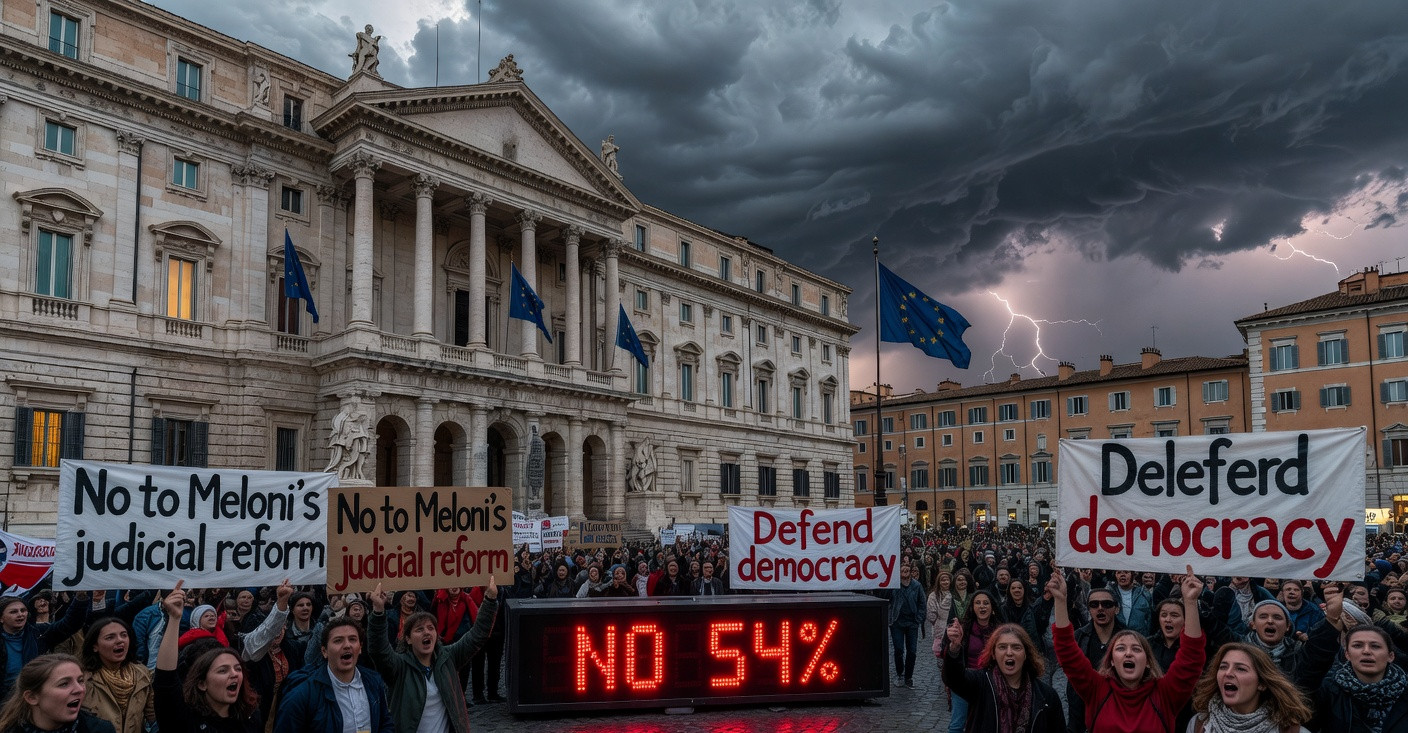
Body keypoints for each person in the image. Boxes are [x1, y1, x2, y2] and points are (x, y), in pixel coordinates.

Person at [1051, 564, 1206, 733]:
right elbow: (1067, 651)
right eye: (1120, 648)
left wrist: (1190, 602)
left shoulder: (1165, 694)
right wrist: (1060, 600)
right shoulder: (1096, 689)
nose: (1128, 653)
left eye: (1137, 649)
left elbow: (1191, 657)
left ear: (1148, 661)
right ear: (1111, 660)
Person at [366, 579, 498, 733]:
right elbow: (378, 650)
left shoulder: (448, 657)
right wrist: (378, 611)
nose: (426, 632)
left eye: (430, 628)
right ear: (407, 638)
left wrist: (489, 599)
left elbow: (477, 635)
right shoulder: (398, 666)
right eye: (419, 629)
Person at [154, 581, 262, 733]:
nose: (234, 674)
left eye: (238, 668)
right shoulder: (184, 719)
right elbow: (165, 679)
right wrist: (174, 619)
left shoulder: (251, 717)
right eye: (223, 670)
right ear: (202, 683)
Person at [1304, 584, 1408, 733]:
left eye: (1375, 646)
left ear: (1391, 655)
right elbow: (1307, 679)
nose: (1366, 651)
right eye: (1358, 646)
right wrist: (1331, 623)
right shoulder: (1330, 691)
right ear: (1347, 654)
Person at [272, 617, 394, 733]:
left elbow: (385, 721)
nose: (347, 645)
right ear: (324, 651)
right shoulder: (301, 695)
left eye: (352, 639)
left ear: (360, 648)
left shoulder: (373, 681)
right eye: (338, 640)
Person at [942, 622, 1064, 732]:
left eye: (1016, 647)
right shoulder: (980, 683)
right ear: (994, 654)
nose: (1009, 652)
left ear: (1026, 654)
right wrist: (954, 648)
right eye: (1002, 647)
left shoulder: (1046, 695)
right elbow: (954, 679)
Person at [1187, 643, 1313, 733]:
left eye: (1240, 669)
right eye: (1223, 667)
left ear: (1262, 684)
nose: (1228, 673)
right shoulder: (1199, 724)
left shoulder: (1290, 730)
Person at [0, 593, 90, 699]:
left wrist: (80, 598)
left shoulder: (39, 633)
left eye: (23, 610)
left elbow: (69, 624)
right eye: (13, 612)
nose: (20, 614)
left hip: (34, 696)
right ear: (1, 618)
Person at [0, 654, 115, 733]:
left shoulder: (100, 729)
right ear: (32, 697)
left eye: (80, 680)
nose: (79, 689)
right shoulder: (7, 729)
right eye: (64, 684)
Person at [80, 617, 154, 733]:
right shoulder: (83, 681)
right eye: (110, 637)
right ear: (95, 646)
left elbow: (152, 715)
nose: (120, 641)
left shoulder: (142, 674)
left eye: (124, 635)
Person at [887, 562, 927, 688]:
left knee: (912, 651)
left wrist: (918, 619)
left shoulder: (917, 586)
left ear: (910, 572)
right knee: (898, 649)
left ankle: (908, 676)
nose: (904, 572)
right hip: (897, 622)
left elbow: (922, 603)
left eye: (906, 570)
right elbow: (887, 599)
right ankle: (900, 673)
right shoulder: (894, 586)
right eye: (902, 570)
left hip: (912, 623)